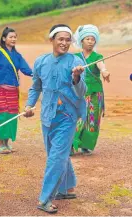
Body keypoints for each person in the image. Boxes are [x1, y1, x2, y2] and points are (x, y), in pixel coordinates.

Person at [24, 24, 87, 213]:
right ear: (51, 40)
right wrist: (29, 105)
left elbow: (82, 91)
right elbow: (36, 86)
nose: (65, 43)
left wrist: (77, 77)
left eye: (68, 40)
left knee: (56, 158)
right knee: (56, 154)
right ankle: (66, 187)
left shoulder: (75, 61)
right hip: (47, 116)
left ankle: (45, 198)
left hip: (67, 116)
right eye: (61, 39)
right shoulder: (41, 61)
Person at [0, 27, 32, 154]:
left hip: (13, 90)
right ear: (4, 39)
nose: (13, 39)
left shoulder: (17, 56)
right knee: (3, 115)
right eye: (10, 37)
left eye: (15, 37)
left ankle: (7, 144)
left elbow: (26, 70)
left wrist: (38, 74)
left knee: (12, 116)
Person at [71, 24, 110, 156]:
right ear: (81, 40)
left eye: (93, 39)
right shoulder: (75, 57)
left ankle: (86, 145)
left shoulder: (97, 56)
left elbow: (101, 65)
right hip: (79, 92)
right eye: (87, 39)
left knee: (92, 120)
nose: (90, 41)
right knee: (78, 118)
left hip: (94, 93)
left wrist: (104, 71)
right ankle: (70, 144)